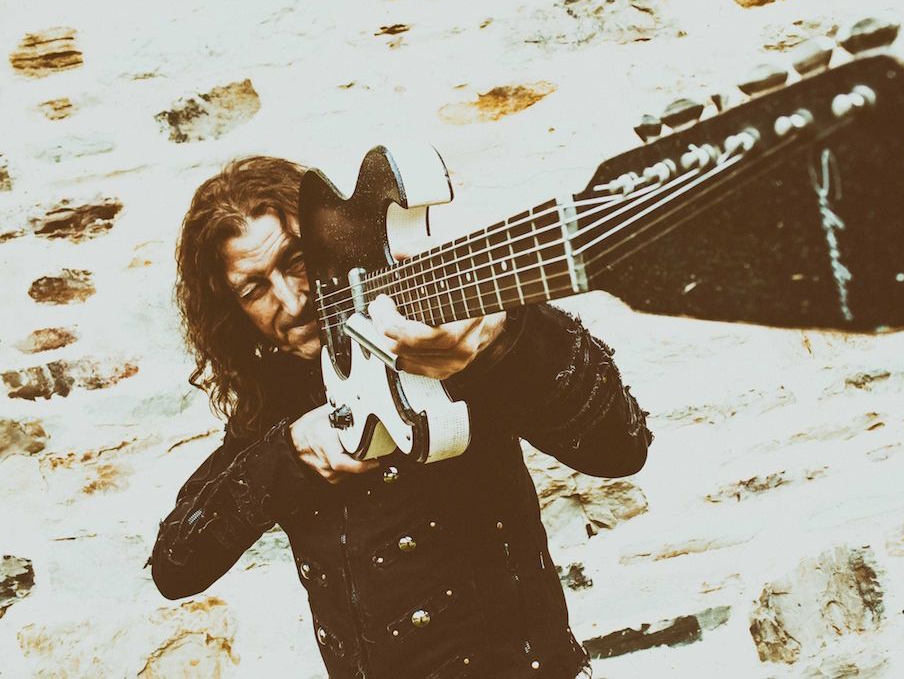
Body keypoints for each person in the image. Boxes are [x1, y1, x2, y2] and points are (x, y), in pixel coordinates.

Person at [149, 155, 652, 678]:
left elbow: (622, 447)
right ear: (233, 312)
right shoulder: (272, 401)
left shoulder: (432, 335)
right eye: (254, 289)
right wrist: (291, 455)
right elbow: (175, 567)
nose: (292, 301)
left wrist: (500, 340)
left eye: (295, 261)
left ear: (329, 244)